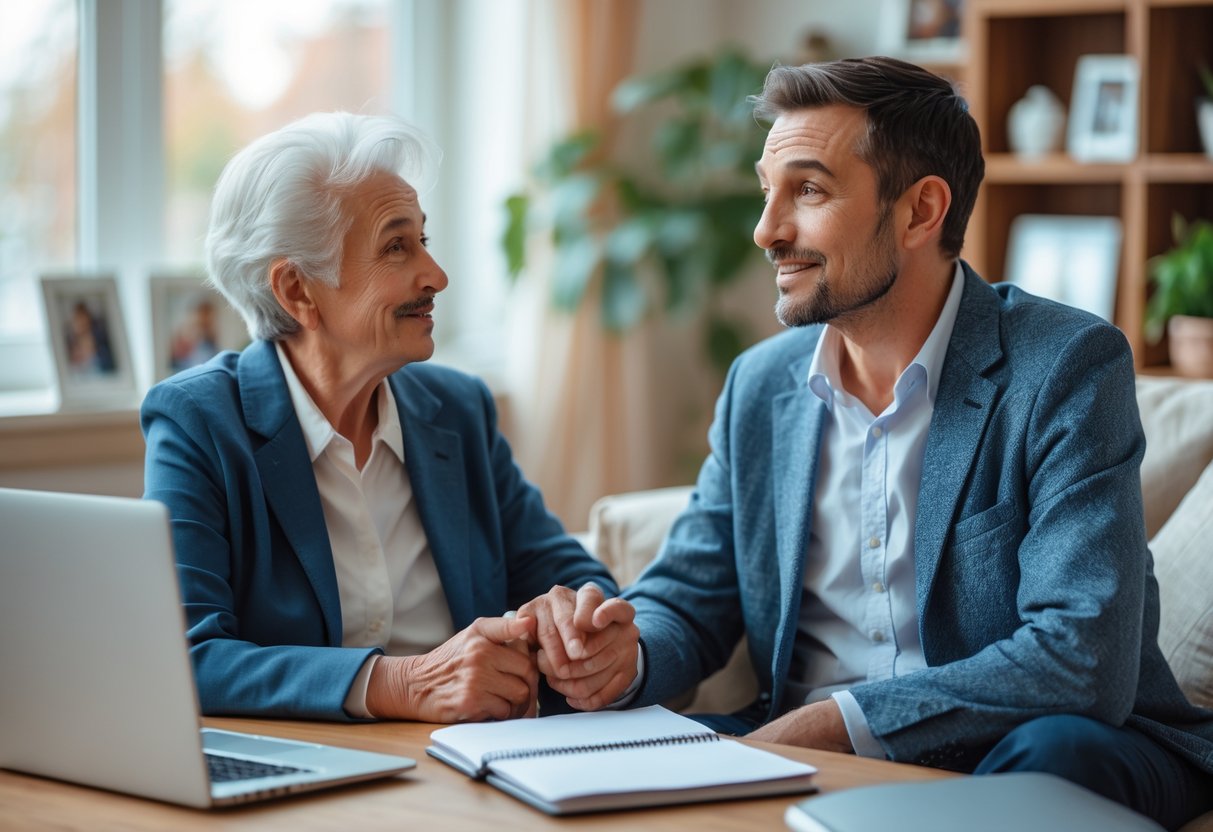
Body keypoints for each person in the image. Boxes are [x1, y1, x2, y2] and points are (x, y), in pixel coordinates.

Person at [566, 58, 1213, 829]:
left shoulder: (1064, 367)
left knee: (1056, 758)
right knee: (594, 769)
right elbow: (691, 598)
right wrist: (621, 653)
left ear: (919, 212)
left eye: (806, 190)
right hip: (797, 742)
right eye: (765, 188)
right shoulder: (760, 385)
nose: (766, 229)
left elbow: (1082, 657)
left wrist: (832, 721)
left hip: (1019, 743)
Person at [141, 112, 639, 724]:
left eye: (423, 240)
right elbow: (188, 656)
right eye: (396, 246)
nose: (435, 275)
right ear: (298, 290)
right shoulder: (200, 422)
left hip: (476, 761)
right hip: (313, 772)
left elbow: (566, 571)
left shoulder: (458, 410)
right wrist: (401, 683)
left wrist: (584, 619)